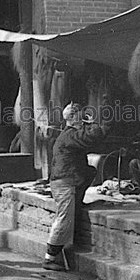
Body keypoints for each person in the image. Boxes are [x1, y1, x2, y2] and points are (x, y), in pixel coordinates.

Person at [43, 102, 110, 271]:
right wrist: (95, 123)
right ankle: (50, 257)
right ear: (72, 117)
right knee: (64, 218)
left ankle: (56, 254)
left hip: (65, 180)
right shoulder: (70, 135)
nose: (83, 116)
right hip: (64, 182)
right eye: (80, 114)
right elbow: (90, 136)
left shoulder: (68, 134)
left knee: (89, 172)